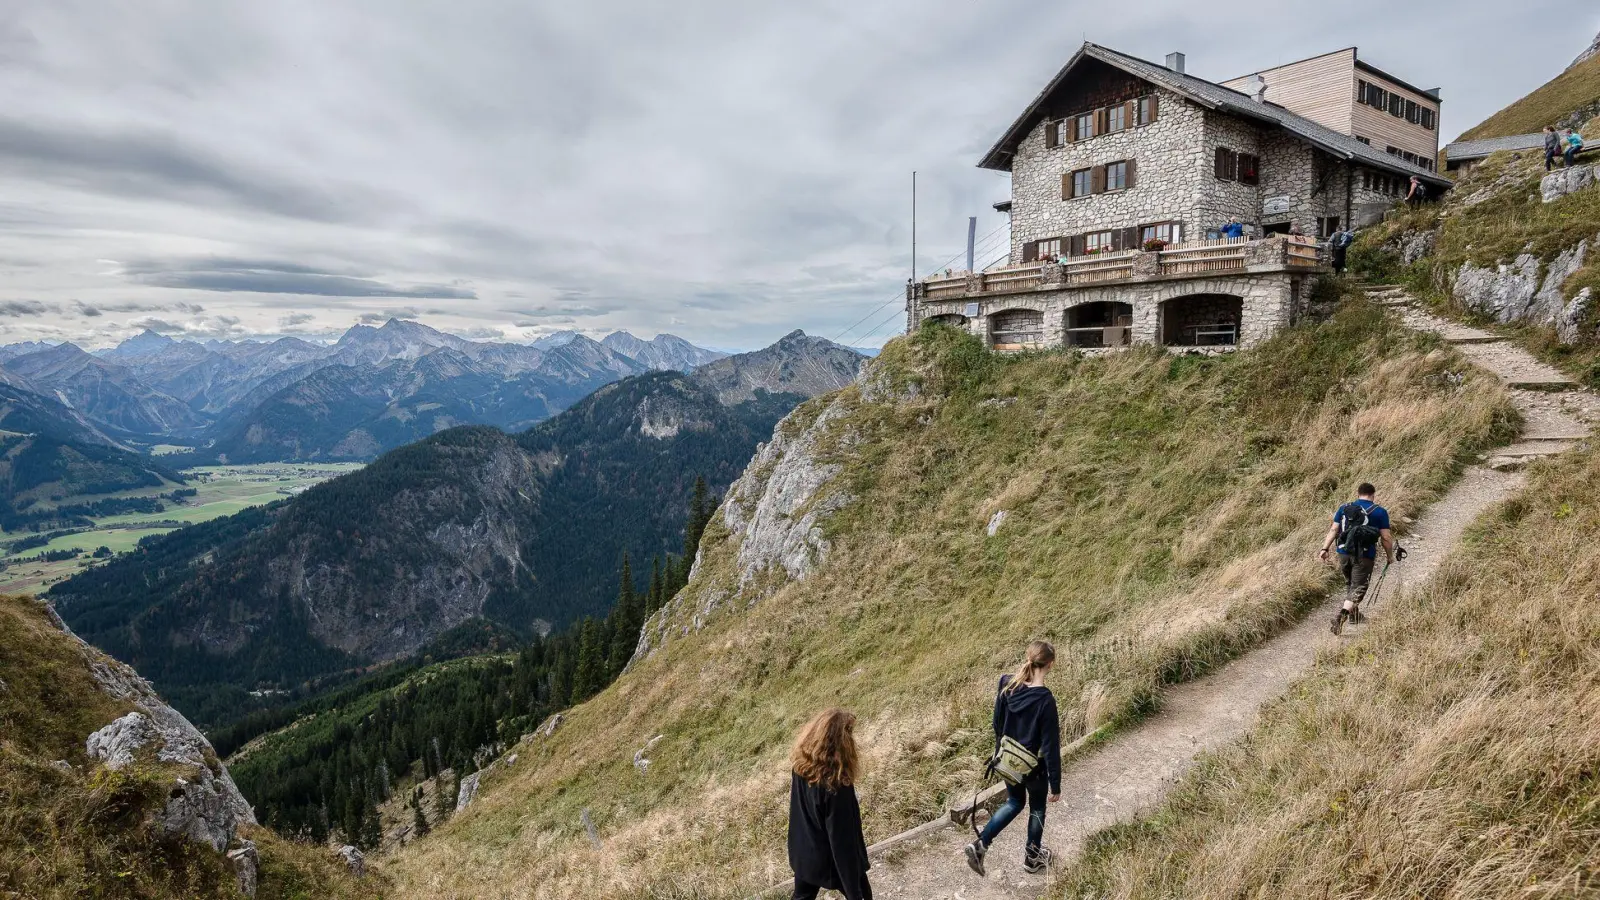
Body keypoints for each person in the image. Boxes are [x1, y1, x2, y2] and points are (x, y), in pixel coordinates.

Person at [964, 641, 1062, 877]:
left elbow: (997, 724)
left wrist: (1001, 752)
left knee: (1014, 802)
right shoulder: (1045, 700)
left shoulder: (1007, 684)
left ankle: (981, 844)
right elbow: (1050, 746)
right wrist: (1056, 784)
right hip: (1034, 768)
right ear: (1050, 664)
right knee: (1037, 808)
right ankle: (1032, 858)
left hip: (1008, 760)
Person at [788, 708, 872, 900]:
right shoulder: (836, 787)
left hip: (805, 852)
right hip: (831, 859)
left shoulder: (801, 767)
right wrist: (854, 892)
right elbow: (842, 842)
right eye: (849, 733)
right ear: (839, 741)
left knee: (802, 896)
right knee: (863, 895)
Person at [1318, 482, 1395, 634]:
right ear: (1373, 495)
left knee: (1351, 584)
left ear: (1358, 494)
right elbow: (1386, 537)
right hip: (1364, 555)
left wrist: (1324, 549)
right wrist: (1390, 556)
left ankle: (1354, 616)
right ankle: (1341, 617)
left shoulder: (1344, 508)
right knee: (1358, 587)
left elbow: (1334, 529)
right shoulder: (1380, 512)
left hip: (1343, 552)